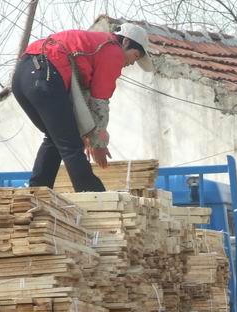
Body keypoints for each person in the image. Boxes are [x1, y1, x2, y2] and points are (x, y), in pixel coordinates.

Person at [12, 23, 153, 191]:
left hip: (22, 76)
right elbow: (99, 101)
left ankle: (37, 192)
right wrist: (98, 143)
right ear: (125, 42)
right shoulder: (113, 51)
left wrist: (89, 135)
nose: (131, 63)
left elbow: (82, 101)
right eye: (135, 56)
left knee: (57, 138)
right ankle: (95, 197)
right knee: (72, 146)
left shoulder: (94, 45)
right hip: (45, 75)